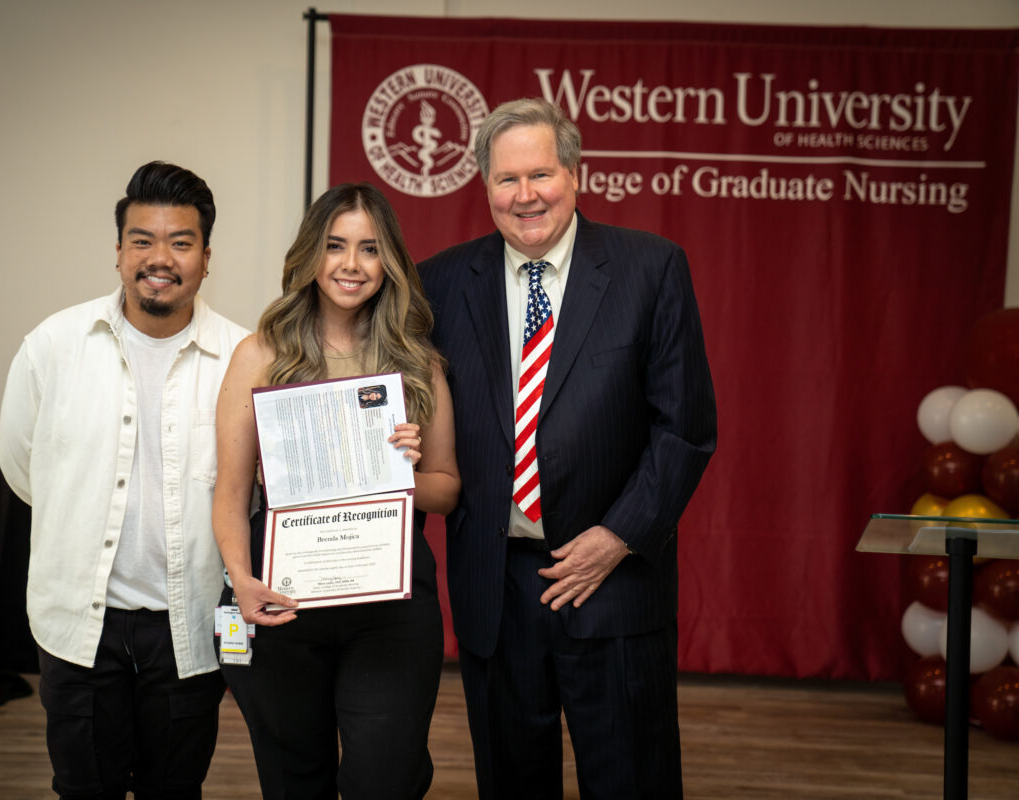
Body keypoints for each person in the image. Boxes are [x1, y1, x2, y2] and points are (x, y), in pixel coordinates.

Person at [419, 98, 717, 799]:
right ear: (484, 187)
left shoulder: (651, 269)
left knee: (632, 781)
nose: (526, 195)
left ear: (576, 175)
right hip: (495, 586)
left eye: (541, 174)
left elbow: (685, 428)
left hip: (612, 578)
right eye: (506, 179)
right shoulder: (436, 283)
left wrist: (616, 537)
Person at [0, 161, 248, 799]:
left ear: (206, 257)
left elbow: (256, 492)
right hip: (81, 628)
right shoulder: (54, 345)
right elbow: (24, 469)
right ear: (118, 252)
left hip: (188, 627)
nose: (159, 258)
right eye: (142, 240)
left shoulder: (246, 358)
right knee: (84, 789)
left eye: (180, 242)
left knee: (174, 791)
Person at [211, 182, 460, 800]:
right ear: (310, 256)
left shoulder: (417, 362)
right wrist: (241, 580)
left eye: (370, 249)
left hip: (390, 612)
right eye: (335, 246)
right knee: (295, 779)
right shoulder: (260, 355)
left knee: (387, 777)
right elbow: (231, 491)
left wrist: (404, 469)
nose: (352, 264)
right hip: (284, 604)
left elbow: (446, 490)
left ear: (390, 262)